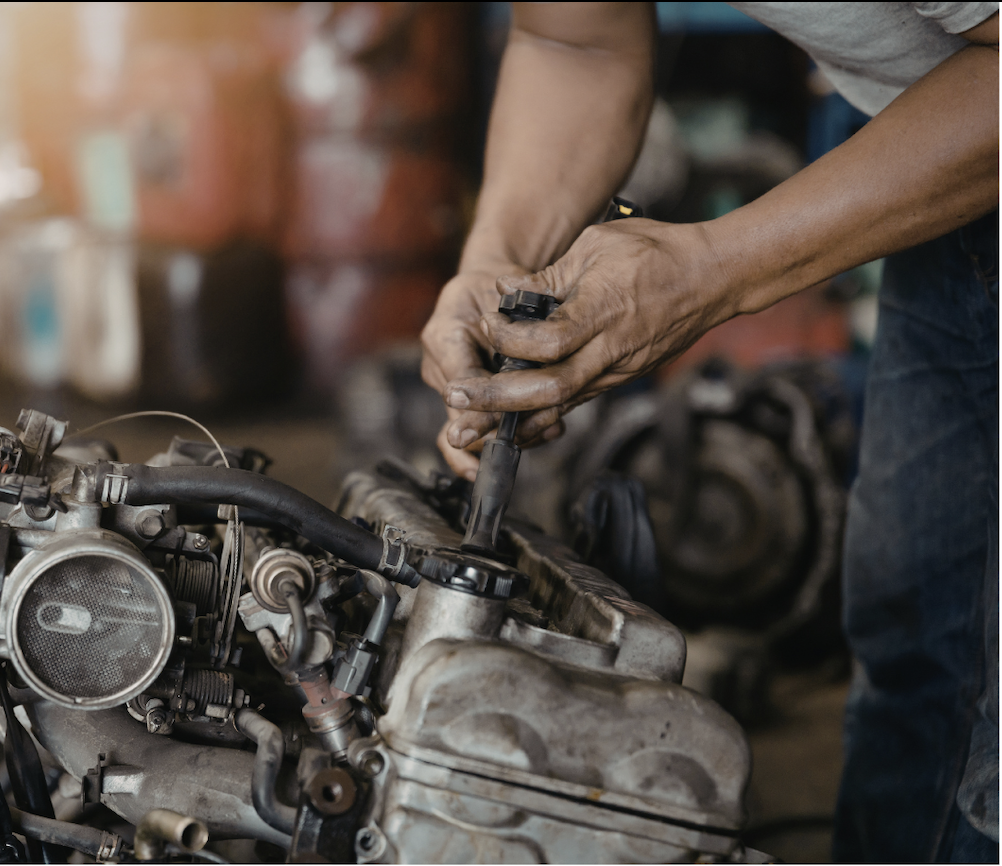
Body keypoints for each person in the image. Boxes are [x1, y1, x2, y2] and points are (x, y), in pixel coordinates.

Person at [420, 2, 998, 861]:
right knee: (917, 627)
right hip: (958, 161)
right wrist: (496, 262)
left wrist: (713, 271)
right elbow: (574, 38)